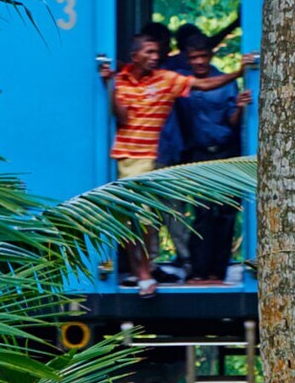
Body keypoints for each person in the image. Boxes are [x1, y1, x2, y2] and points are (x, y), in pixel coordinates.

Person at [97, 34, 257, 296]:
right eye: (149, 52)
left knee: (152, 218)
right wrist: (110, 86)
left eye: (157, 52)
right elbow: (123, 118)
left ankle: (147, 273)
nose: (155, 56)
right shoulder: (121, 81)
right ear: (136, 55)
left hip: (156, 157)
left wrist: (240, 71)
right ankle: (143, 273)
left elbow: (205, 85)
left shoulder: (166, 79)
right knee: (132, 220)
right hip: (130, 158)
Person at [169, 33, 250, 283]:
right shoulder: (182, 83)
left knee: (225, 213)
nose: (199, 62)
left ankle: (218, 271)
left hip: (225, 151)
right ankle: (199, 271)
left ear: (210, 55)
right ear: (188, 59)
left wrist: (240, 108)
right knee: (202, 212)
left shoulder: (225, 83)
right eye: (194, 57)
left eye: (203, 56)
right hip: (198, 154)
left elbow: (231, 121)